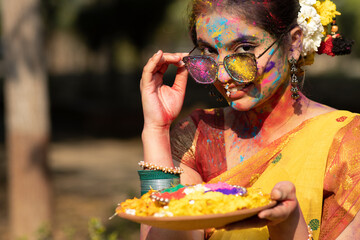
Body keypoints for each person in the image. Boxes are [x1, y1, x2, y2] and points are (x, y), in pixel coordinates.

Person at [139, 0, 360, 239]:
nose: (223, 75)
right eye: (209, 52)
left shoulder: (346, 141)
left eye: (244, 49)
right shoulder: (198, 135)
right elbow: (168, 232)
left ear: (294, 43)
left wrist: (288, 225)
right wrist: (156, 129)